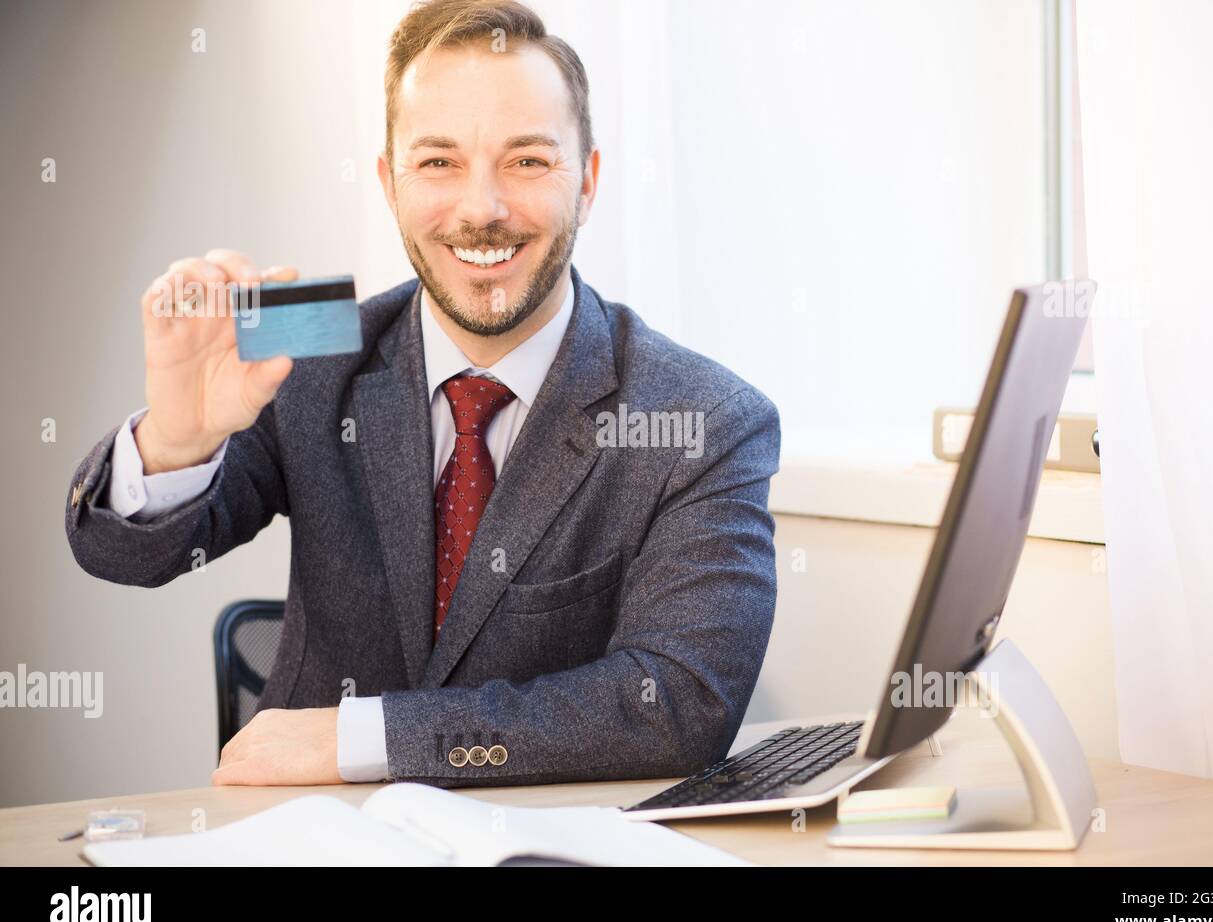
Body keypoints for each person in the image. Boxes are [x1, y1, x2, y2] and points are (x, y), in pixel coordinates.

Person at [66, 0, 780, 788]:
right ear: (389, 181)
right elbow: (120, 556)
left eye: (528, 161)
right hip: (306, 841)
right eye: (438, 162)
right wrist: (176, 439)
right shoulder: (308, 349)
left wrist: (364, 737)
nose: (481, 209)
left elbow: (681, 704)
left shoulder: (705, 419)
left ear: (588, 182)